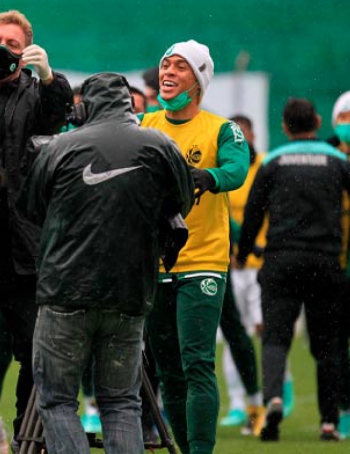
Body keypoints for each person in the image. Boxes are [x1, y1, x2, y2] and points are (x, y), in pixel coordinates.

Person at [18, 72, 194, 454]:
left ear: (87, 105)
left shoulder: (61, 146)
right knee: (121, 402)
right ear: (128, 103)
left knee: (58, 400)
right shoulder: (159, 144)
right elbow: (183, 201)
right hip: (130, 292)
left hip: (65, 290)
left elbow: (30, 207)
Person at [0, 10, 73, 451]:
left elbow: (60, 115)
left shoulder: (34, 91)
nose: (1, 49)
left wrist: (51, 79)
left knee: (37, 352)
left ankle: (29, 436)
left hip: (26, 249)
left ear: (25, 51)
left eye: (12, 44)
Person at [140, 40, 249, 454]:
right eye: (165, 64)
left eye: (180, 67)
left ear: (199, 80)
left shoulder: (222, 129)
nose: (167, 72)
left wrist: (205, 177)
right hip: (156, 265)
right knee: (169, 371)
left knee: (197, 361)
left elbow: (236, 170)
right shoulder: (144, 124)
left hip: (203, 262)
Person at [237, 97, 350, 442]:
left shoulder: (274, 161)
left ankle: (273, 398)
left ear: (284, 126)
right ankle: (329, 422)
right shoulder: (338, 161)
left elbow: (253, 212)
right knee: (326, 347)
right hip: (325, 264)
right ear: (319, 122)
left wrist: (245, 251)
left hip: (280, 261)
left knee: (276, 339)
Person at [219, 114, 266, 434]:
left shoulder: (262, 165)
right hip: (181, 265)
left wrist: (250, 247)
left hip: (231, 263)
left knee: (245, 332)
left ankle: (258, 400)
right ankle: (238, 403)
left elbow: (230, 218)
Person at [331, 90, 350, 439]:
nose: (349, 125)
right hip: (333, 267)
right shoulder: (328, 158)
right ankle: (347, 408)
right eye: (345, 118)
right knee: (335, 343)